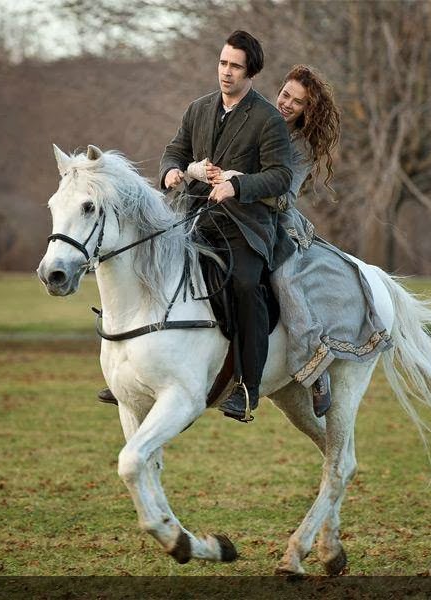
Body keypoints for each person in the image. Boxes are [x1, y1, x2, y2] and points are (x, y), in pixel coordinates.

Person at [186, 65, 341, 417]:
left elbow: (285, 197)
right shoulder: (258, 118)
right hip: (224, 213)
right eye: (286, 95)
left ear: (307, 111)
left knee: (283, 282)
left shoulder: (302, 147)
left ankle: (316, 366)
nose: (287, 104)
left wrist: (241, 181)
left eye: (298, 103)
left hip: (274, 221)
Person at [159, 30, 294, 422]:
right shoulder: (198, 109)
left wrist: (238, 185)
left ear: (250, 72)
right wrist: (172, 172)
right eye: (223, 63)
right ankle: (139, 371)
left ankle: (247, 388)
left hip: (245, 225)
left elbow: (281, 176)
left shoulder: (268, 118)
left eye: (235, 66)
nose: (226, 72)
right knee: (151, 260)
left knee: (245, 285)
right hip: (193, 217)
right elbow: (175, 151)